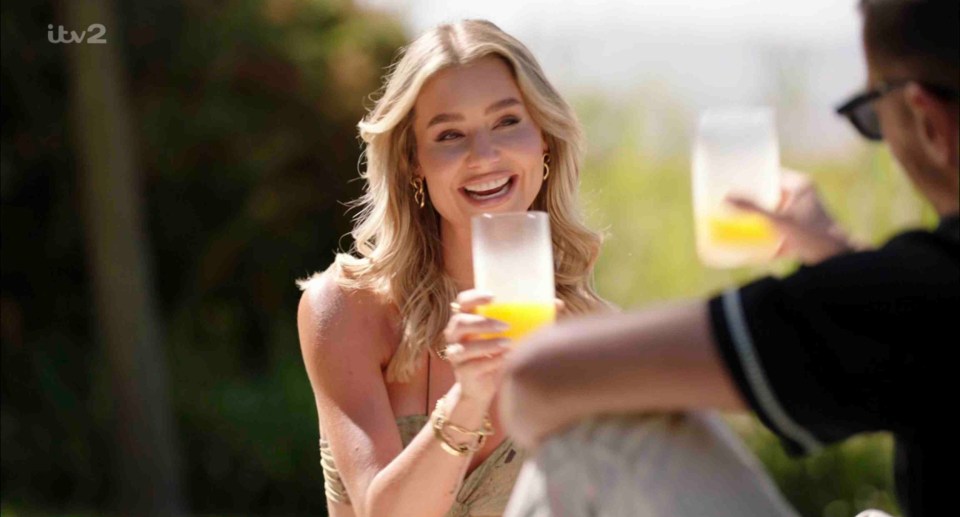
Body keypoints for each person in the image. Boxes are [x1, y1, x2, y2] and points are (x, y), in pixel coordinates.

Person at [498, 1, 957, 516]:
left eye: (872, 116)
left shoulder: (929, 288)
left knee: (601, 435)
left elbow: (540, 376)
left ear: (928, 122)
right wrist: (840, 254)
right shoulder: (918, 294)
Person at [296, 19, 612, 517]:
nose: (484, 155)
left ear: (544, 141)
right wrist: (470, 397)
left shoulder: (592, 334)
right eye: (449, 134)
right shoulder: (345, 309)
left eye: (508, 122)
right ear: (412, 162)